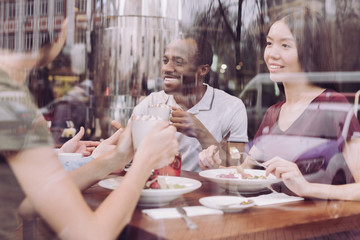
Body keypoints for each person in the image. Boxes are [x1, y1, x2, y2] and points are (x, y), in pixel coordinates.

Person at [0, 18, 178, 240]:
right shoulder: (11, 103)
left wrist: (116, 158)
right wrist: (144, 161)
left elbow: (28, 201)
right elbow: (91, 235)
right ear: (61, 29)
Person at [199, 8, 360, 200]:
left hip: (320, 225)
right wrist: (215, 167)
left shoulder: (332, 105)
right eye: (269, 43)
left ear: (309, 53)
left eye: (285, 45)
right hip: (276, 223)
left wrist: (307, 188)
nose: (272, 54)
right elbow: (244, 172)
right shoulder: (273, 113)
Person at [132, 35, 248, 172]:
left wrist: (201, 132)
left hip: (210, 192)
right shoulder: (151, 103)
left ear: (203, 70)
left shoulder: (232, 107)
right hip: (158, 188)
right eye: (165, 60)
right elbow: (128, 156)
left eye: (179, 62)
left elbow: (237, 166)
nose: (167, 68)